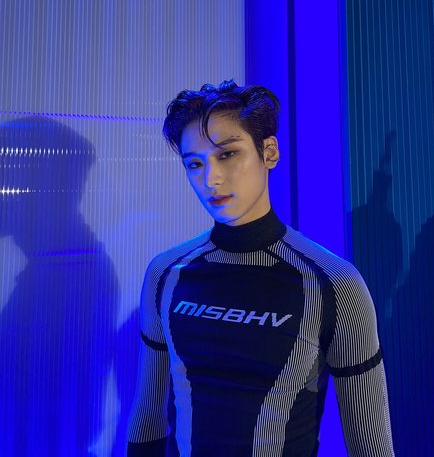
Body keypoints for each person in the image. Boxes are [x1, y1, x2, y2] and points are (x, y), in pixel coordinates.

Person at [127, 80, 395, 456]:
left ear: (269, 152)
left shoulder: (334, 285)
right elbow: (147, 416)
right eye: (195, 163)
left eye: (227, 154)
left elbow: (372, 447)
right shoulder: (166, 274)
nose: (211, 179)